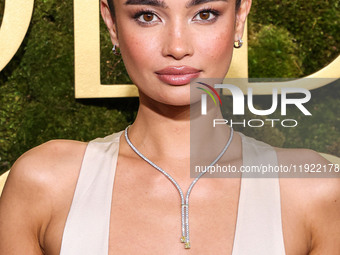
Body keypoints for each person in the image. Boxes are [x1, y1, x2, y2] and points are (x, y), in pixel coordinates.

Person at [0, 0, 339, 254]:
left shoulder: (311, 190)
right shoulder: (45, 184)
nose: (177, 47)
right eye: (147, 15)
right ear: (112, 23)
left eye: (205, 14)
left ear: (239, 18)